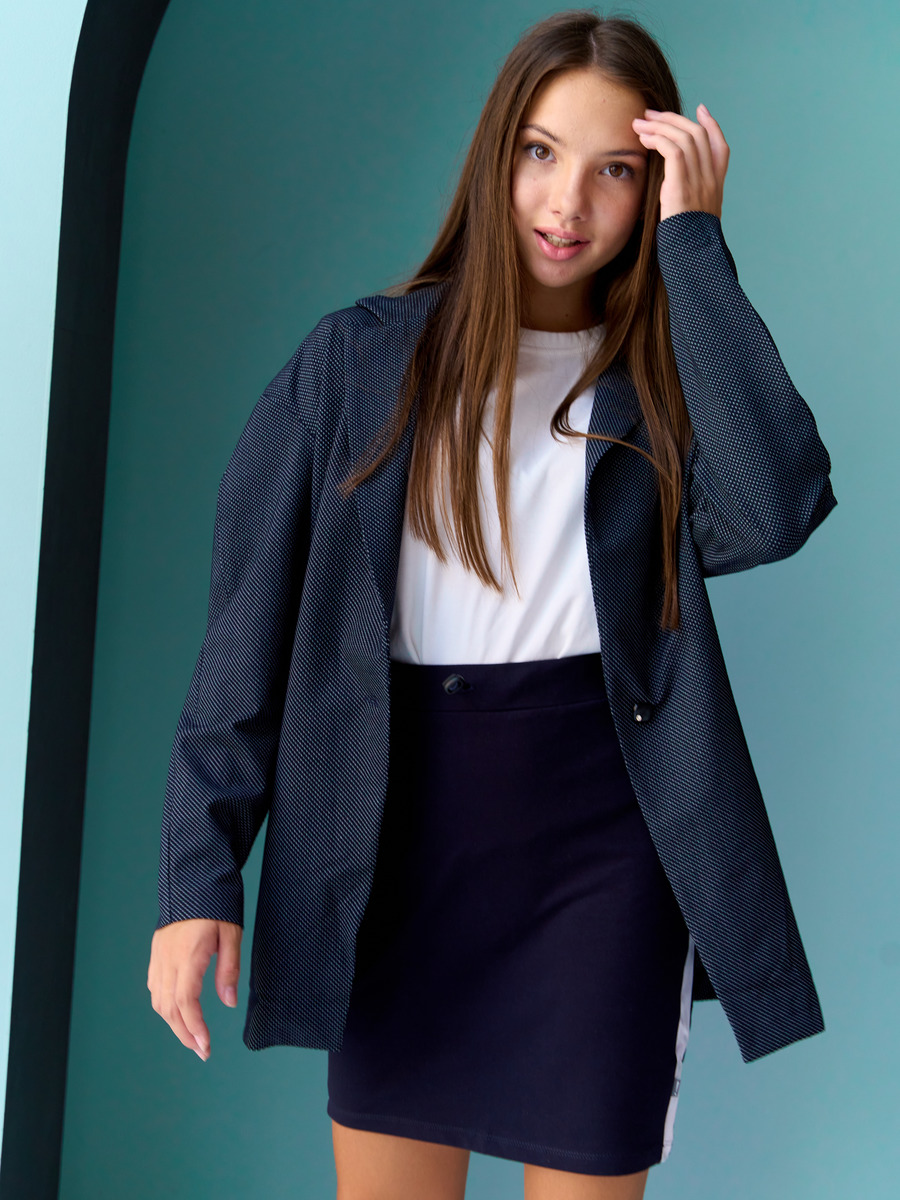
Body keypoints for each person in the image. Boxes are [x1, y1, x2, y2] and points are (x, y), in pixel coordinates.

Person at [147, 9, 837, 1199]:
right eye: (540, 153)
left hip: (604, 857)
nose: (569, 203)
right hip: (391, 846)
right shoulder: (354, 364)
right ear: (493, 155)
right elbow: (242, 641)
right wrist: (196, 880)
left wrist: (696, 245)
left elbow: (776, 508)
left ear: (651, 188)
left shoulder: (660, 387)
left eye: (616, 170)